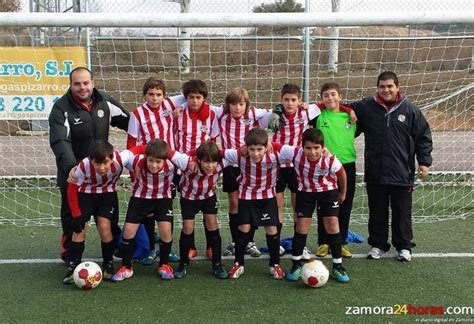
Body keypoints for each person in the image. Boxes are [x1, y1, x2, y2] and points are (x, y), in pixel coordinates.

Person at [48, 66, 129, 264]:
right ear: (71, 85)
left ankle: (112, 254)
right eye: (77, 84)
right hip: (75, 176)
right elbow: (60, 141)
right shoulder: (61, 108)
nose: (82, 87)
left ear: (92, 83)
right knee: (74, 220)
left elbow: (133, 123)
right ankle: (70, 257)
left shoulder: (105, 102)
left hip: (103, 176)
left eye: (86, 83)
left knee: (108, 221)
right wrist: (70, 168)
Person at [349, 71, 433, 262]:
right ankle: (378, 245)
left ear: (397, 87)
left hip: (402, 172)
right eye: (382, 87)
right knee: (376, 211)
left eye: (389, 86)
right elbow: (340, 107)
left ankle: (404, 247)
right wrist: (350, 112)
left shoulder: (410, 110)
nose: (386, 90)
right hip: (375, 171)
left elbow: (423, 136)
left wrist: (425, 162)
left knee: (402, 212)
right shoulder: (367, 107)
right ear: (377, 88)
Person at [271, 83, 353, 257]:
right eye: (286, 100)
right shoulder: (272, 115)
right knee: (277, 205)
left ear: (299, 101)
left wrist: (348, 110)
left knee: (297, 206)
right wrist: (276, 111)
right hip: (278, 163)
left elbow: (329, 103)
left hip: (297, 165)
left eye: (294, 100)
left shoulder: (306, 111)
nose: (290, 103)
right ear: (281, 100)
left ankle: (298, 243)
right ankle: (276, 243)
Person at [277, 128, 350, 283]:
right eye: (308, 148)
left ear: (322, 147)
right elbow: (275, 146)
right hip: (305, 192)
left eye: (316, 148)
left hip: (328, 192)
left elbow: (342, 174)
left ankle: (338, 266)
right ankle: (296, 265)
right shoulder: (295, 153)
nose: (312, 152)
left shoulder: (330, 159)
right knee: (302, 226)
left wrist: (342, 194)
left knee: (332, 224)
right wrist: (269, 145)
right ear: (302, 147)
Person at [63, 140, 140, 284]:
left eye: (105, 163)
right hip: (86, 194)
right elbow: (72, 188)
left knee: (104, 227)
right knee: (80, 228)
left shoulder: (120, 159)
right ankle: (73, 266)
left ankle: (108, 264)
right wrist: (76, 214)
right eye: (97, 163)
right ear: (90, 160)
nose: (102, 167)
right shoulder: (83, 166)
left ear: (111, 158)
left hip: (107, 194)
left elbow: (141, 147)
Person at [127, 77, 184, 265]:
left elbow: (191, 94)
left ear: (164, 95)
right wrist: (134, 171)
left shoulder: (169, 103)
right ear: (145, 95)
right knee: (147, 211)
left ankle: (166, 249)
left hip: (168, 166)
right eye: (151, 94)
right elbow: (131, 142)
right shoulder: (137, 114)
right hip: (147, 165)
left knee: (166, 206)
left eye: (158, 94)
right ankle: (151, 248)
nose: (155, 98)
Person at [112, 139, 186, 282]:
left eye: (158, 161)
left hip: (162, 199)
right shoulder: (136, 161)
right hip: (140, 199)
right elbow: (124, 154)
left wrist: (193, 163)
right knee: (128, 231)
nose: (153, 165)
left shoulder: (173, 162)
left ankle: (164, 265)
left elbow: (189, 159)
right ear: (146, 157)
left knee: (165, 231)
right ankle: (126, 267)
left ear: (165, 159)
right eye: (150, 160)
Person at [216, 87, 274, 258]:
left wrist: (269, 142)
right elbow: (198, 103)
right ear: (228, 105)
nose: (237, 108)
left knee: (249, 202)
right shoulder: (220, 114)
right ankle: (236, 241)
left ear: (246, 104)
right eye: (233, 104)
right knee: (234, 203)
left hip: (250, 165)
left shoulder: (255, 113)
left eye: (241, 104)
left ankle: (249, 241)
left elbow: (278, 111)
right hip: (230, 163)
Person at [224, 128, 285, 280]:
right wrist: (240, 149)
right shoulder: (239, 155)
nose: (256, 153)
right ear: (246, 147)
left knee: (271, 228)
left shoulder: (276, 155)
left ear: (266, 147)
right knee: (243, 228)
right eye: (252, 149)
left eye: (260, 149)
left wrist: (274, 145)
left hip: (268, 196)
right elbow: (215, 152)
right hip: (246, 196)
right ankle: (239, 263)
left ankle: (274, 264)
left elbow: (297, 151)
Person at [173, 79, 220, 260]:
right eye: (191, 97)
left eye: (198, 97)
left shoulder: (211, 115)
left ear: (204, 98)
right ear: (186, 98)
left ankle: (210, 246)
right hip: (185, 166)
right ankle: (190, 246)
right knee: (188, 211)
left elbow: (213, 140)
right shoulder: (179, 113)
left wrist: (211, 161)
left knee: (209, 211)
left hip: (206, 163)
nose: (194, 101)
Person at [310, 82, 356, 258]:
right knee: (324, 205)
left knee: (344, 204)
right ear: (321, 99)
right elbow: (299, 109)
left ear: (340, 96)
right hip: (325, 166)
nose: (330, 98)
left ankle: (342, 242)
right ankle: (323, 242)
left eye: (333, 94)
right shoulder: (318, 116)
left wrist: (348, 110)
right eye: (326, 95)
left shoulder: (350, 117)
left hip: (347, 164)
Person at [173, 141, 228, 279]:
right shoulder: (186, 163)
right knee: (187, 227)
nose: (210, 166)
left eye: (213, 162)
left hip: (208, 196)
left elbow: (239, 152)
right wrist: (191, 158)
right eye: (206, 162)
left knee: (212, 224)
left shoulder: (222, 163)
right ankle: (183, 263)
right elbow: (169, 152)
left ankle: (217, 264)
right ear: (198, 160)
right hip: (189, 198)